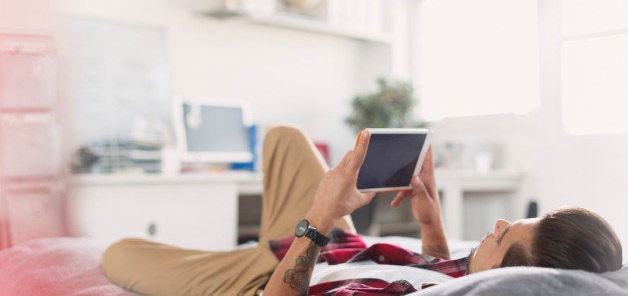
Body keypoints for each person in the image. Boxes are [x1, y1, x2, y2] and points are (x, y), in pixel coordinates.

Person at [102, 126, 623, 295]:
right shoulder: (469, 277)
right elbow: (439, 275)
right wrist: (430, 223)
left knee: (120, 252)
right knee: (286, 138)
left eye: (506, 237)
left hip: (283, 271)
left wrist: (319, 219)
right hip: (340, 242)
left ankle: (239, 256)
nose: (502, 223)